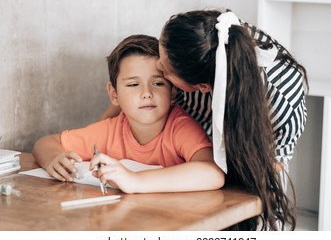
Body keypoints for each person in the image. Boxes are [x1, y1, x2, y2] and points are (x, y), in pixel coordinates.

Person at [102, 9, 308, 231]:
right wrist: (101, 129)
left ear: (201, 88)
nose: (159, 68)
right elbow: (128, 100)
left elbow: (270, 166)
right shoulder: (208, 37)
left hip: (248, 170)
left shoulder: (281, 103)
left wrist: (138, 182)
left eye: (166, 73)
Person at [32, 34, 224, 194]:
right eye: (133, 84)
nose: (146, 93)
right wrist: (54, 159)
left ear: (173, 92)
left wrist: (134, 181)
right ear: (114, 94)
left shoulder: (180, 127)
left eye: (158, 83)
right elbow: (46, 142)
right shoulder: (110, 130)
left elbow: (213, 173)